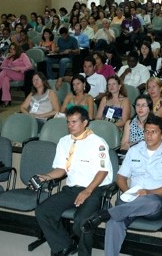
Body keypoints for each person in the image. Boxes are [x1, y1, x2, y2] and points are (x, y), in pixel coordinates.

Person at [81, 115, 162, 256]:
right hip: (131, 201)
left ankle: (105, 214)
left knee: (151, 202)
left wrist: (148, 192)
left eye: (153, 132)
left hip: (156, 203)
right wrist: (128, 192)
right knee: (114, 222)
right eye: (146, 131)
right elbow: (121, 177)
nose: (149, 135)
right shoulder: (135, 149)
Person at [35, 106, 113, 256]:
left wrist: (87, 191)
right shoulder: (64, 142)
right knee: (43, 211)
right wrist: (47, 176)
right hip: (72, 188)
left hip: (94, 189)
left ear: (85, 123)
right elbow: (61, 169)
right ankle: (64, 245)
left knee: (82, 221)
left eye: (74, 122)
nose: (70, 126)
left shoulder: (97, 142)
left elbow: (103, 171)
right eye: (68, 122)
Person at [0, 43, 32, 107]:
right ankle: (6, 100)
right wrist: (6, 58)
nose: (12, 50)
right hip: (10, 74)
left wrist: (19, 68)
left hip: (21, 74)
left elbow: (29, 66)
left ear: (17, 49)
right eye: (10, 49)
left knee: (5, 71)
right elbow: (2, 67)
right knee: (5, 79)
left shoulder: (23, 55)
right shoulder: (11, 57)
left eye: (14, 49)